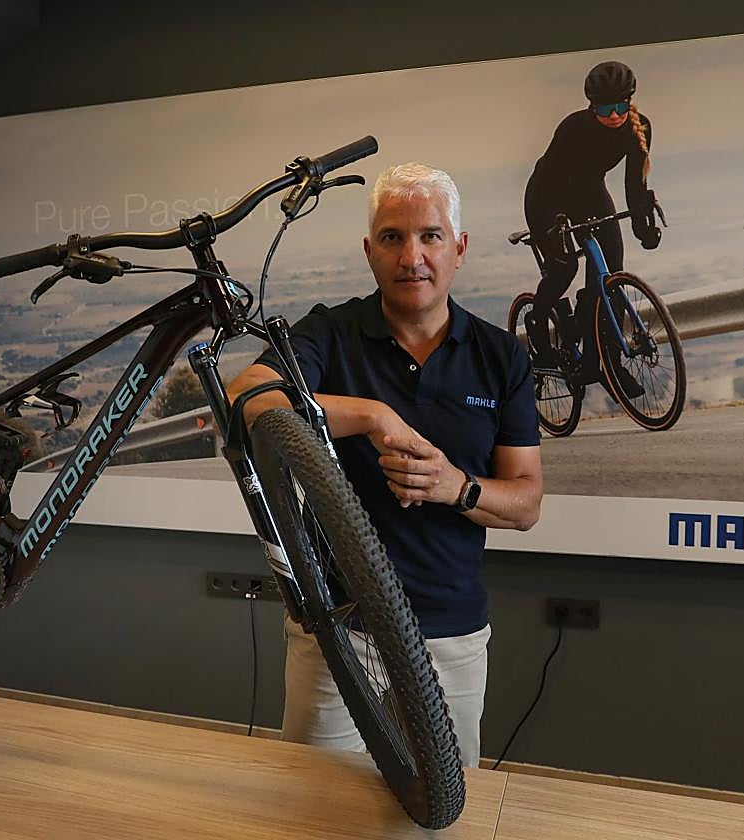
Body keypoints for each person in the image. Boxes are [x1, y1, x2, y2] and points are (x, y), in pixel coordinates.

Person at [225, 163, 543, 768]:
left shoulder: (501, 358)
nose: (412, 257)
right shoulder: (329, 333)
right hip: (339, 632)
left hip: (450, 635)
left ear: (460, 248)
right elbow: (247, 396)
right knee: (317, 813)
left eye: (431, 236)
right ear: (370, 252)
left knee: (444, 814)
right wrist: (373, 415)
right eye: (393, 238)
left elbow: (527, 504)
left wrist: (457, 487)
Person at [523, 60, 661, 394]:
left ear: (630, 101)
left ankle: (608, 365)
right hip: (547, 197)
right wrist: (557, 226)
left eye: (620, 106)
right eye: (604, 108)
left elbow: (634, 186)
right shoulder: (572, 128)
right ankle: (538, 327)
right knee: (564, 268)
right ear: (590, 105)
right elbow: (549, 178)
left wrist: (643, 227)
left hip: (590, 193)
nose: (614, 115)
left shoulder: (639, 126)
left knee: (610, 279)